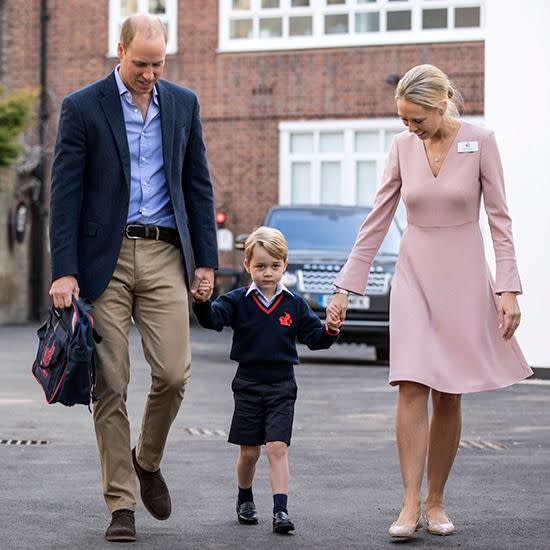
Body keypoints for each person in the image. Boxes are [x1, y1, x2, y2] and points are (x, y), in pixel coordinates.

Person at [326, 64, 533, 539]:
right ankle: (407, 505)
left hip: (462, 276)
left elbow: (500, 220)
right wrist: (345, 287)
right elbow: (377, 220)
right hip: (414, 275)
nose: (410, 128)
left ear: (442, 104)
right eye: (404, 120)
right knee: (410, 383)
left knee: (448, 390)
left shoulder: (480, 141)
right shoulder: (402, 148)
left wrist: (508, 288)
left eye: (417, 119)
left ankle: (436, 501)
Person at [48, 14, 218, 542]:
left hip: (167, 253)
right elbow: (64, 194)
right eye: (140, 63)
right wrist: (64, 271)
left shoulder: (183, 104)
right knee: (111, 382)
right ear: (119, 50)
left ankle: (147, 460)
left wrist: (206, 262)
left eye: (158, 63)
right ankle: (121, 503)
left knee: (173, 373)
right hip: (107, 259)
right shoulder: (82, 107)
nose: (149, 73)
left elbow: (198, 184)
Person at [192, 227, 340, 534]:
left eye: (274, 266)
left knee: (277, 447)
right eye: (260, 266)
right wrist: (203, 302)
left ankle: (280, 510)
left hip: (282, 385)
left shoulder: (294, 305)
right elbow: (212, 320)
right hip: (247, 383)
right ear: (247, 266)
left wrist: (331, 329)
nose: (268, 273)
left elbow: (315, 338)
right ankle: (244, 496)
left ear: (285, 264)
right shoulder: (237, 302)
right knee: (250, 451)